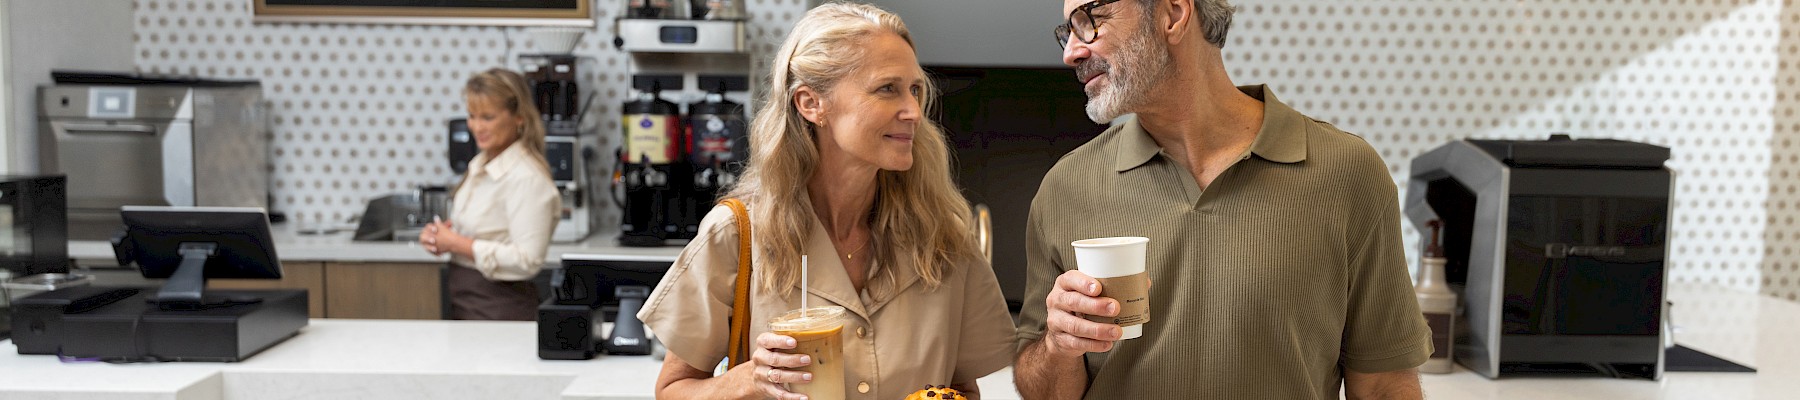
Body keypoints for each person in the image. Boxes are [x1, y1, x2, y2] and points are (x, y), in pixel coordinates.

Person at [1012, 0, 1431, 399]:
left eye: (1089, 19)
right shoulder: (1064, 188)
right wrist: (1056, 347)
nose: (1070, 52)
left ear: (1173, 14)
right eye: (1066, 31)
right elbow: (1042, 390)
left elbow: (1382, 388)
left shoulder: (1348, 174)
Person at [636, 3, 1016, 399]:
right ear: (810, 103)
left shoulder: (945, 238)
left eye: (916, 89)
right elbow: (673, 391)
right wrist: (750, 378)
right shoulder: (736, 234)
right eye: (888, 88)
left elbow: (962, 390)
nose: (914, 112)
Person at [418, 68, 561, 321]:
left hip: (500, 309)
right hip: (468, 304)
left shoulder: (526, 177)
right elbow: (483, 232)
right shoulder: (480, 165)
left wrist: (456, 243)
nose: (476, 126)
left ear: (519, 117)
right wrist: (442, 236)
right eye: (472, 116)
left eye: (488, 117)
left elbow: (528, 260)